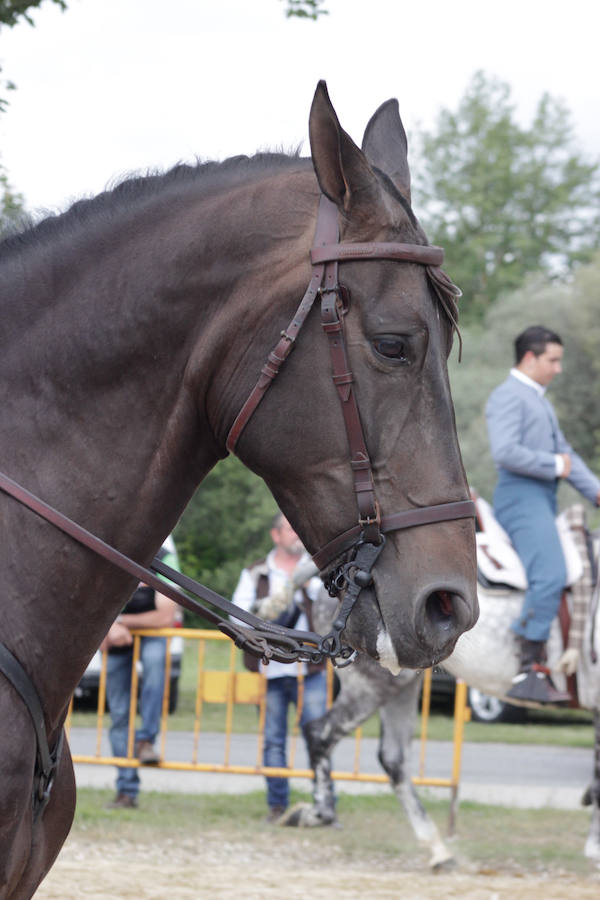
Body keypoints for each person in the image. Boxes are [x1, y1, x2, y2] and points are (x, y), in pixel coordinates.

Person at [486, 325, 600, 704]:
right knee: (550, 572)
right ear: (530, 358)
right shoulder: (508, 396)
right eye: (554, 360)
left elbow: (569, 458)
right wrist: (555, 465)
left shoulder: (539, 401)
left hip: (541, 499)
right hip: (520, 499)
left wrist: (597, 492)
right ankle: (527, 668)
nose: (559, 369)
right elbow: (505, 452)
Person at [232, 512, 328, 823]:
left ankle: (326, 806)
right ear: (276, 536)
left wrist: (306, 590)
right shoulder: (257, 573)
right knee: (273, 741)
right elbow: (237, 617)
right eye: (290, 528)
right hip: (270, 669)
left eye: (299, 527)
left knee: (319, 740)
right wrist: (271, 611)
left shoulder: (320, 570)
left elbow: (332, 612)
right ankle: (277, 807)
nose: (297, 534)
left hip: (311, 670)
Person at [103, 538, 180, 809]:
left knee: (155, 663)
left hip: (148, 635)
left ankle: (146, 738)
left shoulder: (165, 558)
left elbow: (164, 617)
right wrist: (110, 627)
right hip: (116, 637)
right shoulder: (113, 550)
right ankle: (126, 789)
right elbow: (98, 605)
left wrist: (120, 621)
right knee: (119, 714)